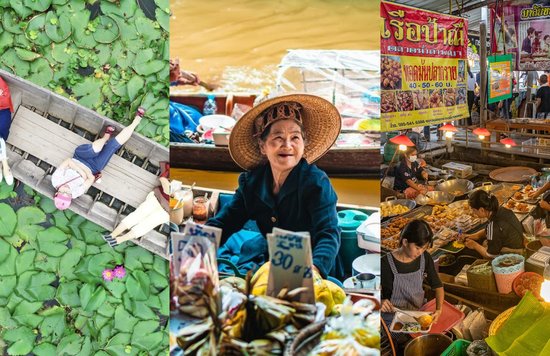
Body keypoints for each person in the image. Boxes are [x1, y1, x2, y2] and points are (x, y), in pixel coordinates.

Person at [205, 94, 341, 278]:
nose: (287, 145)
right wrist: (198, 245)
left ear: (303, 143)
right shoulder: (251, 182)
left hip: (314, 267)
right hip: (274, 265)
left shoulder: (316, 183)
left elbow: (328, 233)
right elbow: (225, 221)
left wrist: (315, 270)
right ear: (263, 146)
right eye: (278, 137)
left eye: (295, 137)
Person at [52, 108, 144, 210]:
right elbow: (91, 179)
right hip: (94, 167)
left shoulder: (56, 180)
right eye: (68, 193)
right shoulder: (75, 193)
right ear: (70, 197)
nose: (66, 190)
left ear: (57, 192)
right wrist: (84, 172)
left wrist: (82, 173)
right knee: (113, 146)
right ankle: (137, 120)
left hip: (80, 157)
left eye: (62, 192)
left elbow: (68, 161)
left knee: (95, 149)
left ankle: (105, 137)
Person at [381, 220, 444, 351]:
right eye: (418, 247)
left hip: (418, 314)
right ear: (404, 242)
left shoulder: (424, 258)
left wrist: (439, 309)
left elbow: (438, 286)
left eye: (424, 248)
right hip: (394, 319)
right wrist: (380, 301)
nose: (420, 252)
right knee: (400, 347)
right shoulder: (385, 263)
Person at [102, 167, 170, 246]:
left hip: (168, 211)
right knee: (137, 217)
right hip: (158, 199)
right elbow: (163, 180)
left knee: (145, 225)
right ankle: (112, 236)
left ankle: (118, 240)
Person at [463, 190, 524, 258]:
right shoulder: (501, 210)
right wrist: (471, 236)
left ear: (481, 210)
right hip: (518, 243)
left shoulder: (494, 226)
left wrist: (474, 245)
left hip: (514, 255)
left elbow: (490, 255)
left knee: (473, 252)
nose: (473, 213)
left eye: (474, 210)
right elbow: (488, 231)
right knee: (484, 243)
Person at [0, 76, 14, 185]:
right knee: (1, 135)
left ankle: (3, 165)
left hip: (2, 108)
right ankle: (4, 164)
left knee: (2, 127)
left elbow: (4, 93)